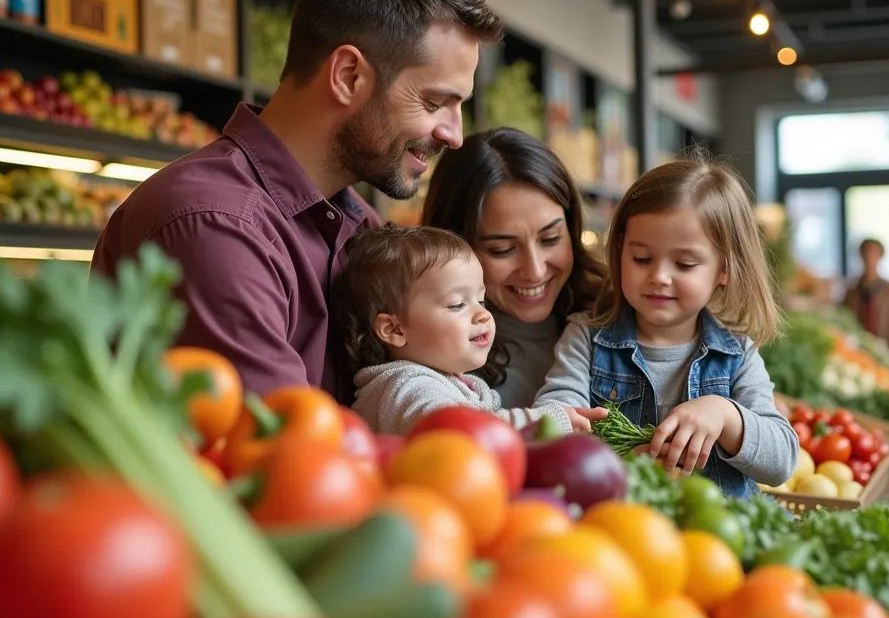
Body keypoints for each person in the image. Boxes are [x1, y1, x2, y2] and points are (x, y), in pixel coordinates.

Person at [90, 0, 503, 401]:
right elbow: (283, 447)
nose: (454, 136)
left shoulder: (360, 226)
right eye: (435, 102)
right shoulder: (216, 225)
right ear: (348, 76)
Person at [533, 158, 799, 495]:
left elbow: (783, 462)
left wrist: (726, 415)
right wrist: (613, 454)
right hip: (620, 529)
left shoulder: (736, 354)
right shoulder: (586, 339)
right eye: (642, 258)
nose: (659, 277)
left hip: (717, 539)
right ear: (619, 252)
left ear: (724, 269)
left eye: (685, 264)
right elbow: (551, 421)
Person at [338, 225, 599, 435]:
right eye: (457, 304)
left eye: (481, 300)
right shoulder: (403, 386)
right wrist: (546, 421)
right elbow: (460, 435)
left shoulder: (457, 383)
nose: (483, 314)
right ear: (394, 329)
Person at [421, 127, 604, 407]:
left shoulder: (617, 315)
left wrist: (698, 405)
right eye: (502, 250)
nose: (535, 271)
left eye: (550, 238)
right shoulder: (428, 354)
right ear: (453, 246)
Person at [843, 238, 889, 351]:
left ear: (880, 257)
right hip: (859, 352)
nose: (869, 258)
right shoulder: (851, 293)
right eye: (866, 253)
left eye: (874, 253)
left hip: (888, 352)